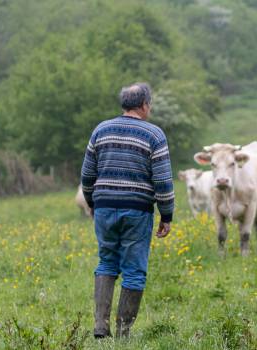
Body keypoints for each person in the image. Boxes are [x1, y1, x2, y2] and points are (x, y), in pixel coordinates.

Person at [81, 82, 174, 338]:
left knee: (107, 262)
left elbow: (87, 174)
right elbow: (163, 182)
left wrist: (91, 202)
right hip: (137, 211)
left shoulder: (101, 130)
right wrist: (167, 215)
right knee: (134, 269)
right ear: (144, 105)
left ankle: (101, 327)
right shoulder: (154, 135)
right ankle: (123, 333)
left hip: (104, 208)